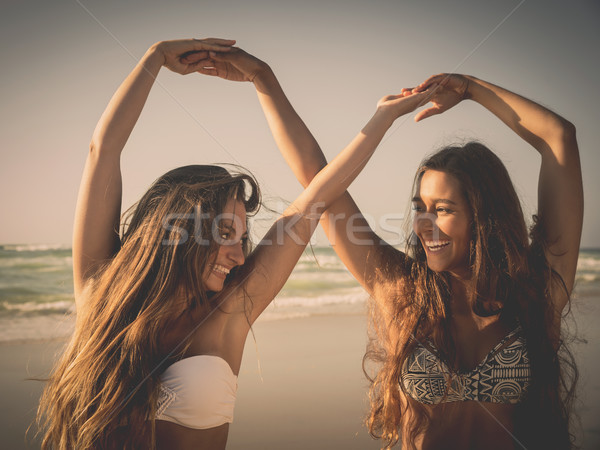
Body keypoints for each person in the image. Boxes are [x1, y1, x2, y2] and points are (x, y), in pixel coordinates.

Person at [36, 38, 437, 450]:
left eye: (242, 237)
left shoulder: (231, 309)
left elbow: (318, 195)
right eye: (225, 234)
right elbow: (102, 151)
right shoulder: (100, 293)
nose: (240, 254)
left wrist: (381, 119)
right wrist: (153, 59)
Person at [204, 49, 583, 449]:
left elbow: (559, 138)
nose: (424, 224)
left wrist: (471, 89)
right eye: (419, 208)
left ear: (484, 217)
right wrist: (264, 81)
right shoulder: (402, 290)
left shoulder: (537, 290)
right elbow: (316, 173)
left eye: (443, 210)